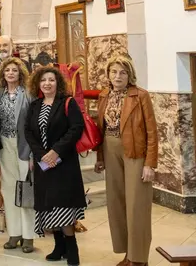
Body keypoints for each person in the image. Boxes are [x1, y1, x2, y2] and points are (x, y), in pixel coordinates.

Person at [94, 54, 158, 266]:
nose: (118, 76)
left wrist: (150, 163)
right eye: (114, 72)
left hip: (135, 153)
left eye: (122, 72)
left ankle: (139, 259)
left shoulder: (140, 96)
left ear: (129, 74)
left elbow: (152, 131)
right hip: (110, 149)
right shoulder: (104, 95)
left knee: (136, 206)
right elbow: (100, 130)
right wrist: (100, 157)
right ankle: (128, 254)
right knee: (117, 204)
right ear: (108, 74)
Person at [25, 66, 86, 266]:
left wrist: (55, 151)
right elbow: (28, 132)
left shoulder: (67, 102)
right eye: (43, 80)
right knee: (49, 204)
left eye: (51, 80)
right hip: (44, 163)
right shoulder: (35, 105)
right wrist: (42, 155)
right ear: (38, 84)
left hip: (64, 163)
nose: (47, 83)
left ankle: (72, 248)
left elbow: (76, 128)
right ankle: (59, 246)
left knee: (64, 205)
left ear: (57, 82)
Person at [0, 57, 35, 253]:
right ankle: (15, 233)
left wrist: (34, 155)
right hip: (4, 145)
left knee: (25, 189)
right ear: (3, 74)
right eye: (7, 70)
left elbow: (34, 126)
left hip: (24, 147)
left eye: (14, 70)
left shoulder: (28, 95)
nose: (10, 73)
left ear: (21, 74)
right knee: (8, 190)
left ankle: (28, 236)